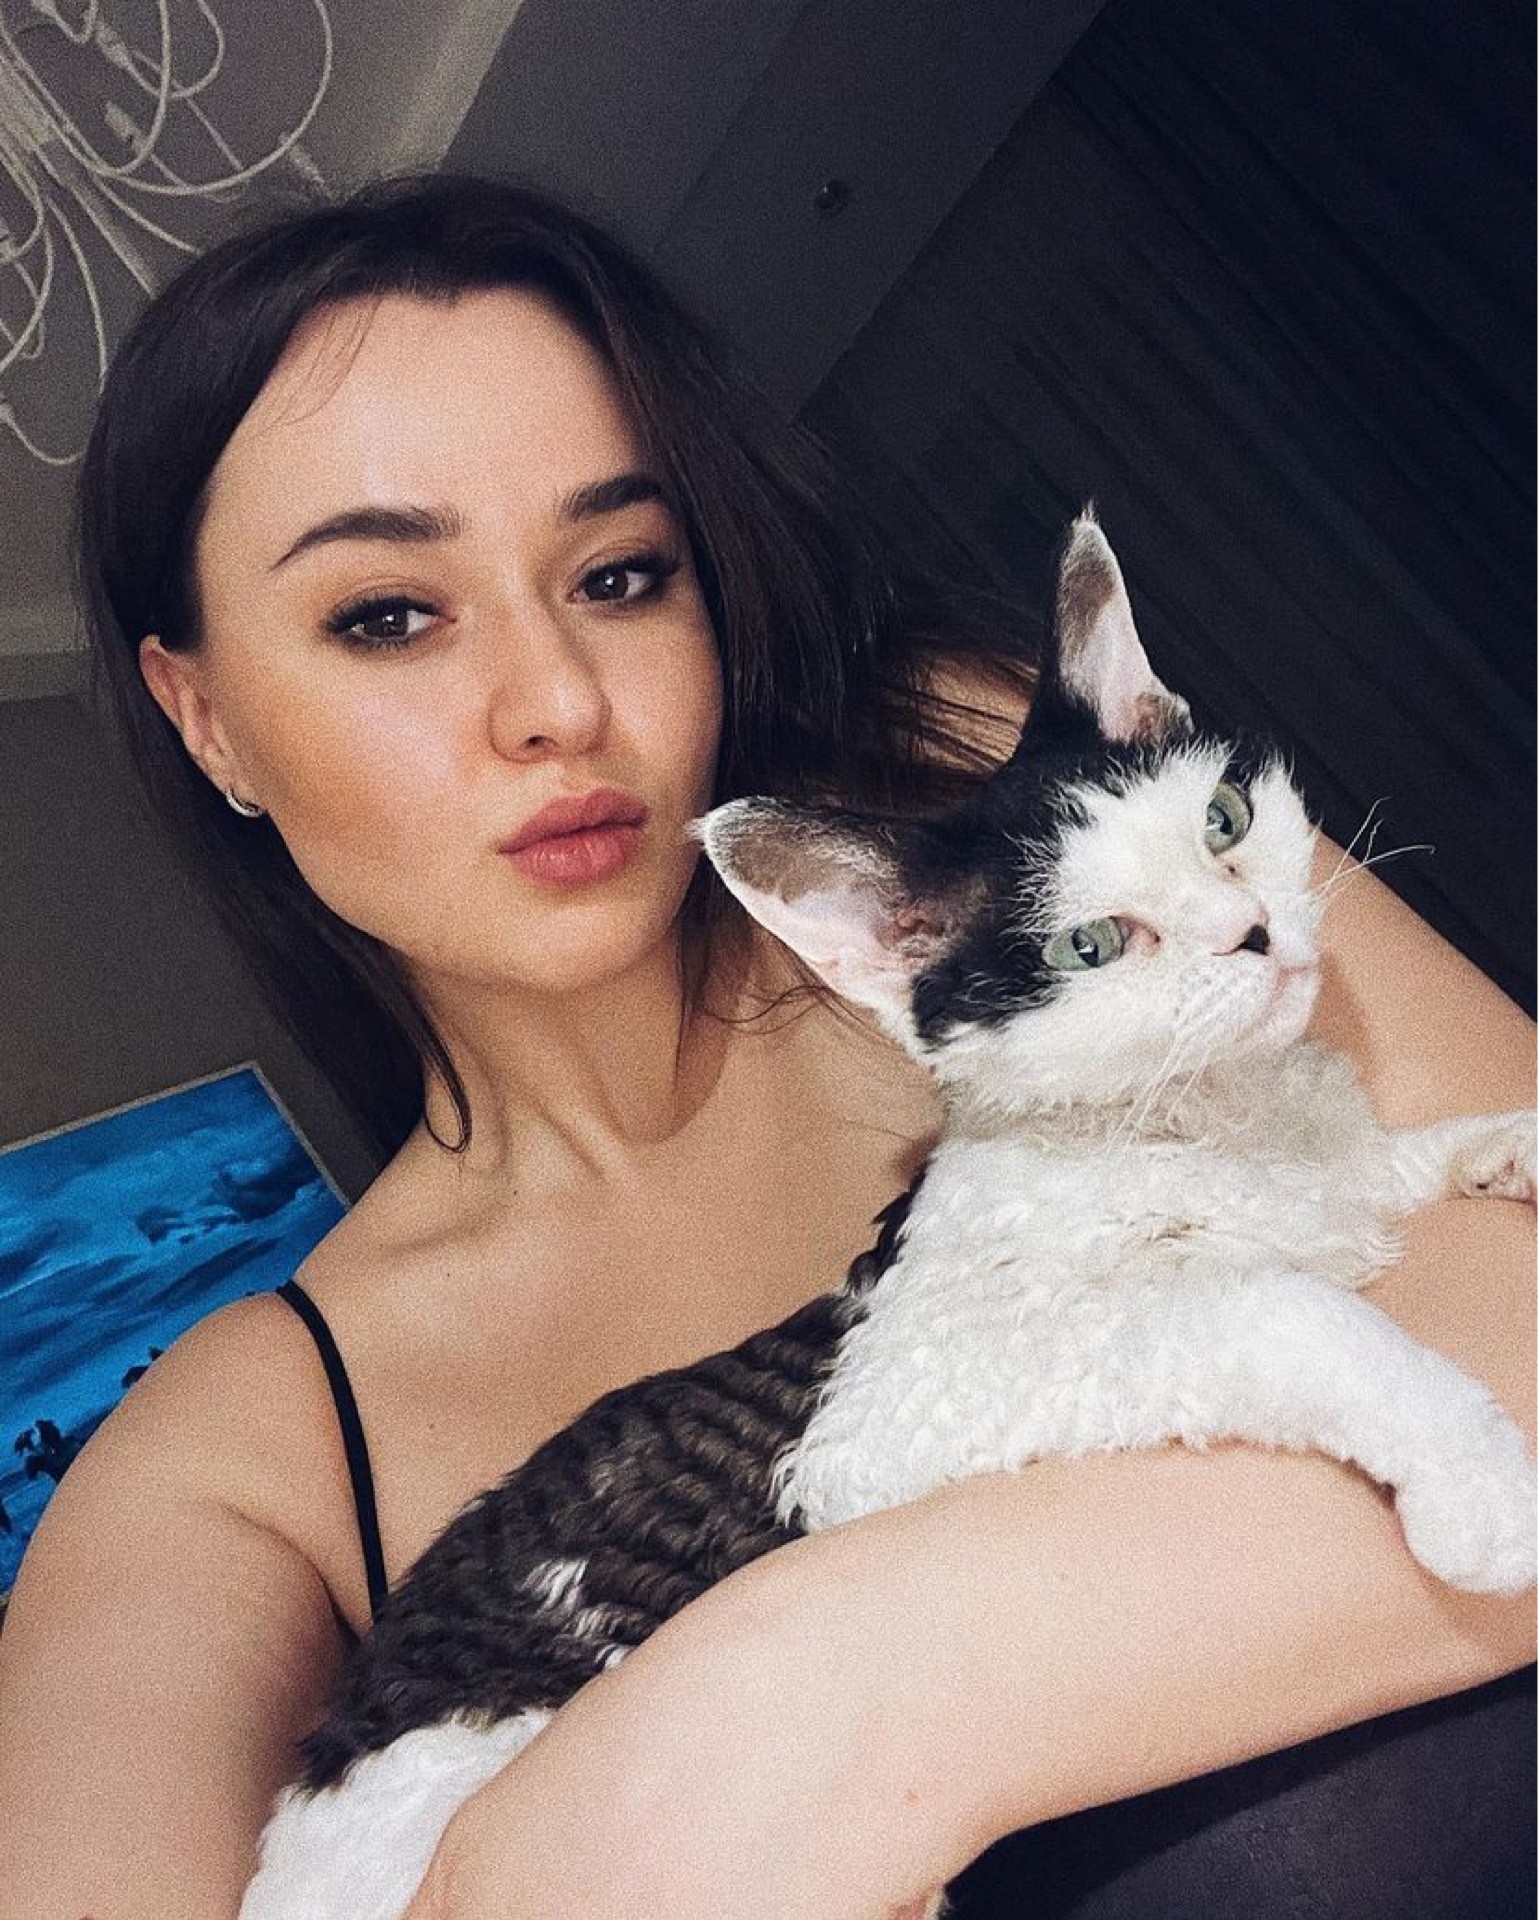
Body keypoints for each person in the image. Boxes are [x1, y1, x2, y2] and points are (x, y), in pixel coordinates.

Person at [0, 175, 1531, 1920]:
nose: (559, 700)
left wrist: (805, 1690)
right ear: (207, 719)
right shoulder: (244, 1454)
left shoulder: (998, 829)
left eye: (619, 576)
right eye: (389, 615)